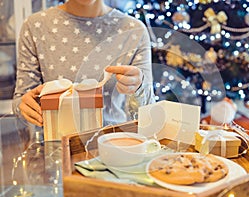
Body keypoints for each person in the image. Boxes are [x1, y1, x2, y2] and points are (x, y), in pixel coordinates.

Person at [13, 0, 156, 127]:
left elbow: (148, 109)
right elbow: (21, 101)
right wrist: (25, 106)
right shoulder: (35, 26)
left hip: (114, 145)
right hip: (56, 146)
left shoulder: (134, 30)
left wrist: (139, 87)